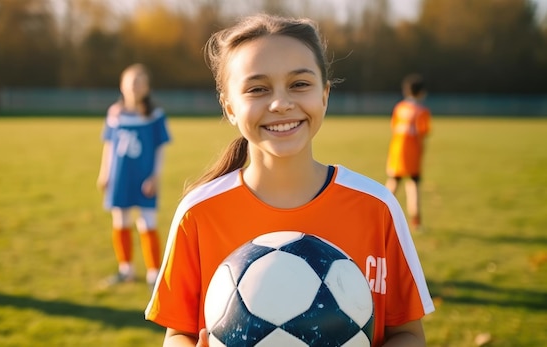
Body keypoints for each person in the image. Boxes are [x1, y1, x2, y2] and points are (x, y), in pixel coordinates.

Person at [145, 14, 434, 347]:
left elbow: (408, 335)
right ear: (229, 108)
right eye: (257, 89)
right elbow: (177, 334)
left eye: (299, 84)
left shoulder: (377, 207)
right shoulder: (197, 213)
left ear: (324, 94)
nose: (281, 103)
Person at [96, 63, 171, 288]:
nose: (134, 86)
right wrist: (104, 173)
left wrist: (155, 176)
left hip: (145, 178)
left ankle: (153, 273)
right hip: (120, 176)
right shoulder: (115, 114)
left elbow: (160, 149)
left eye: (140, 82)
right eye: (130, 82)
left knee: (147, 223)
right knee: (120, 220)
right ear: (122, 85)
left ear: (146, 87)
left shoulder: (155, 115)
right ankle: (125, 269)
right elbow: (109, 146)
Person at [384, 74, 431, 231]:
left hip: (396, 151)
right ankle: (416, 221)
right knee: (413, 186)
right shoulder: (421, 111)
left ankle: (378, 212)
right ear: (421, 92)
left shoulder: (400, 107)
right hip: (412, 154)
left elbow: (393, 127)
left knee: (393, 183)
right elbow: (422, 133)